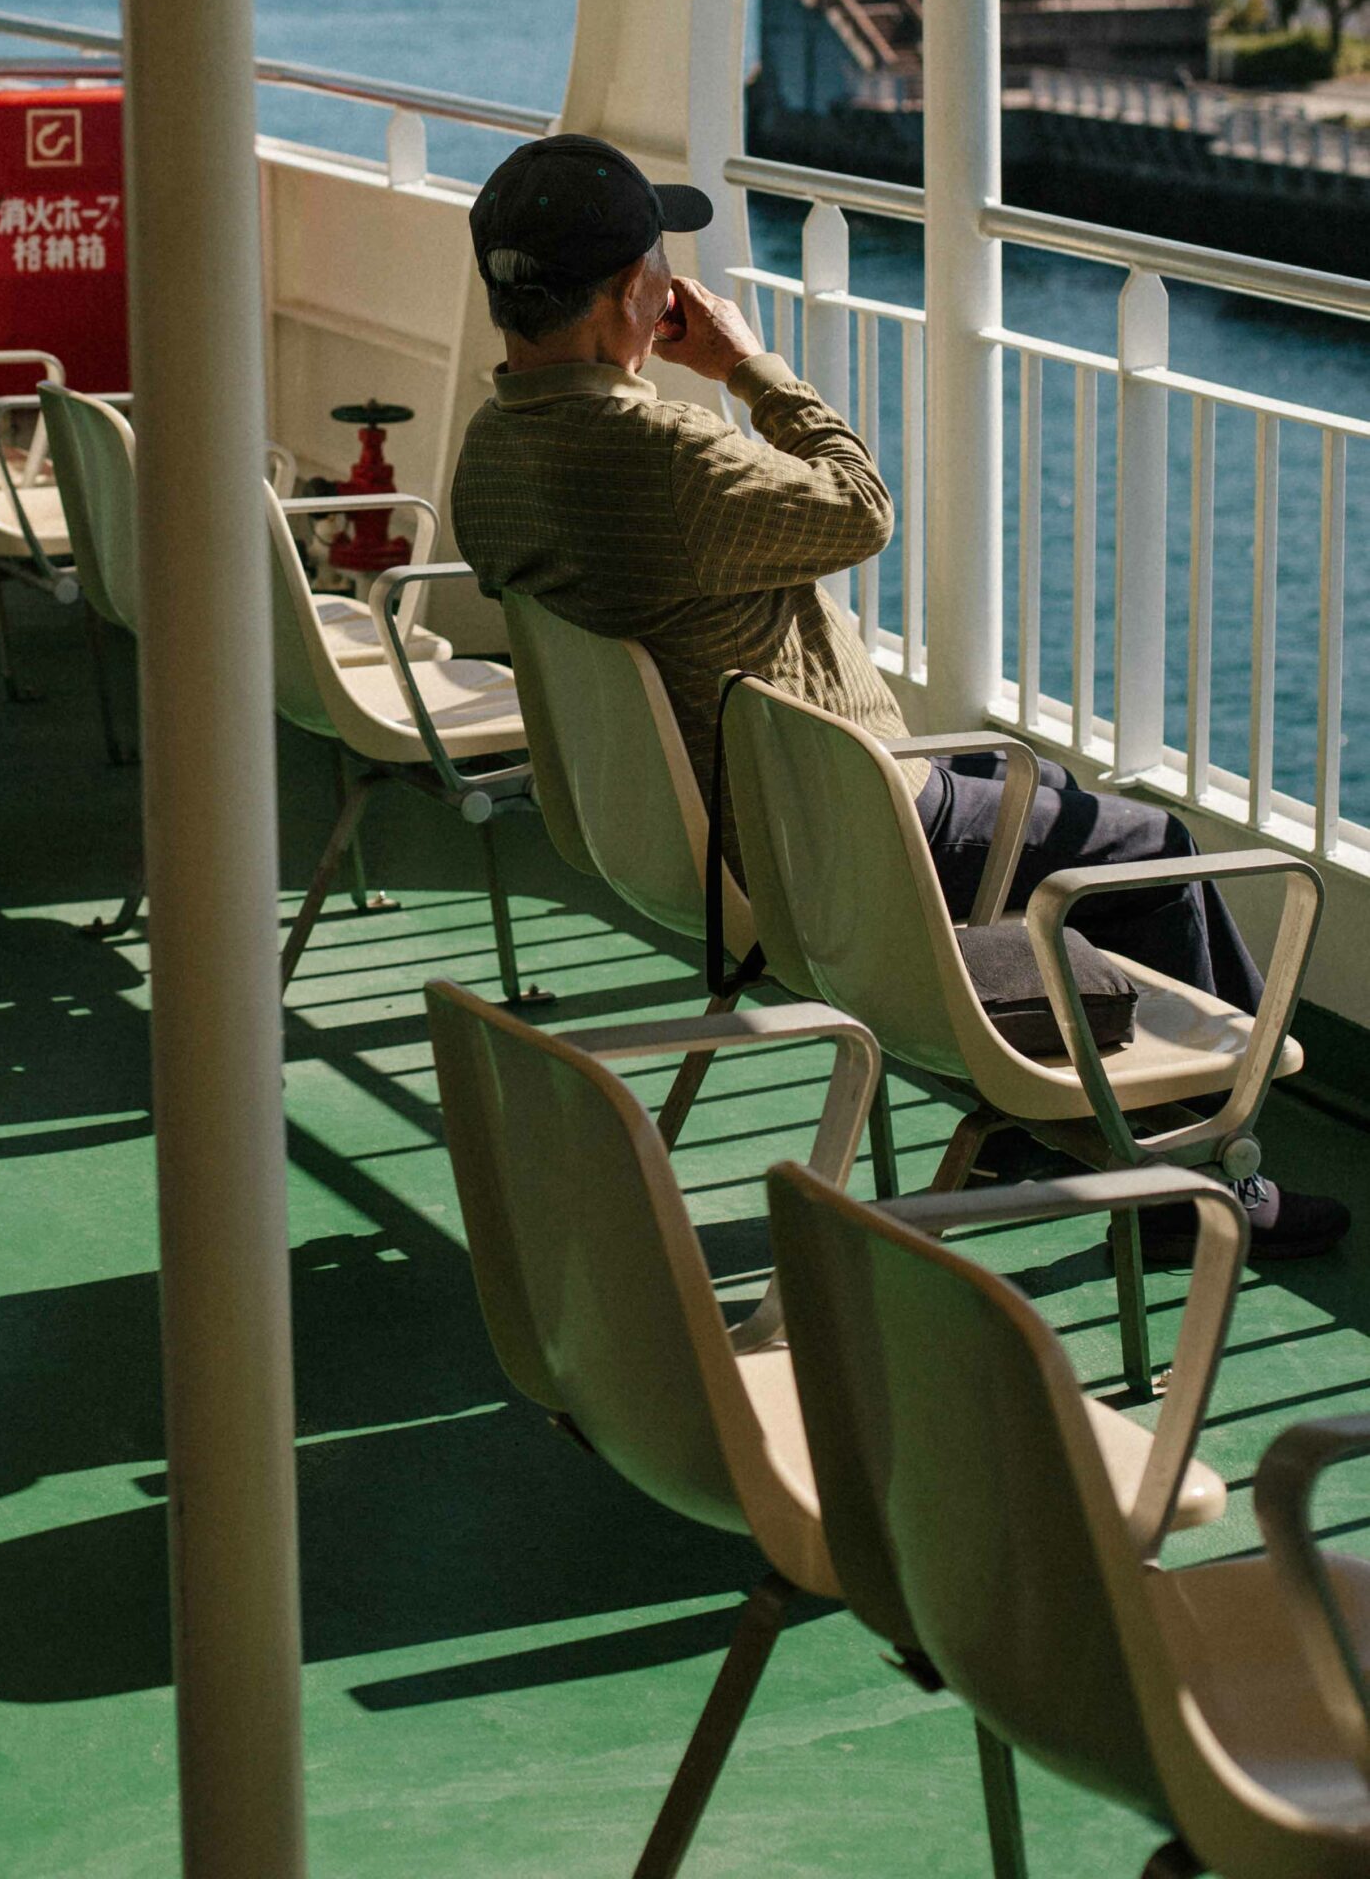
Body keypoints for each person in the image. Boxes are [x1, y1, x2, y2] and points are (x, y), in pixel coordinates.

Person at [452, 131, 1348, 1263]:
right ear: (637, 293)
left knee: (1049, 798)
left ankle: (1080, 1123)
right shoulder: (669, 458)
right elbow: (859, 505)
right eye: (656, 268)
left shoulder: (491, 453)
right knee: (1151, 844)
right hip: (834, 837)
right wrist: (746, 371)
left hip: (700, 834)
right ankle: (1210, 1182)